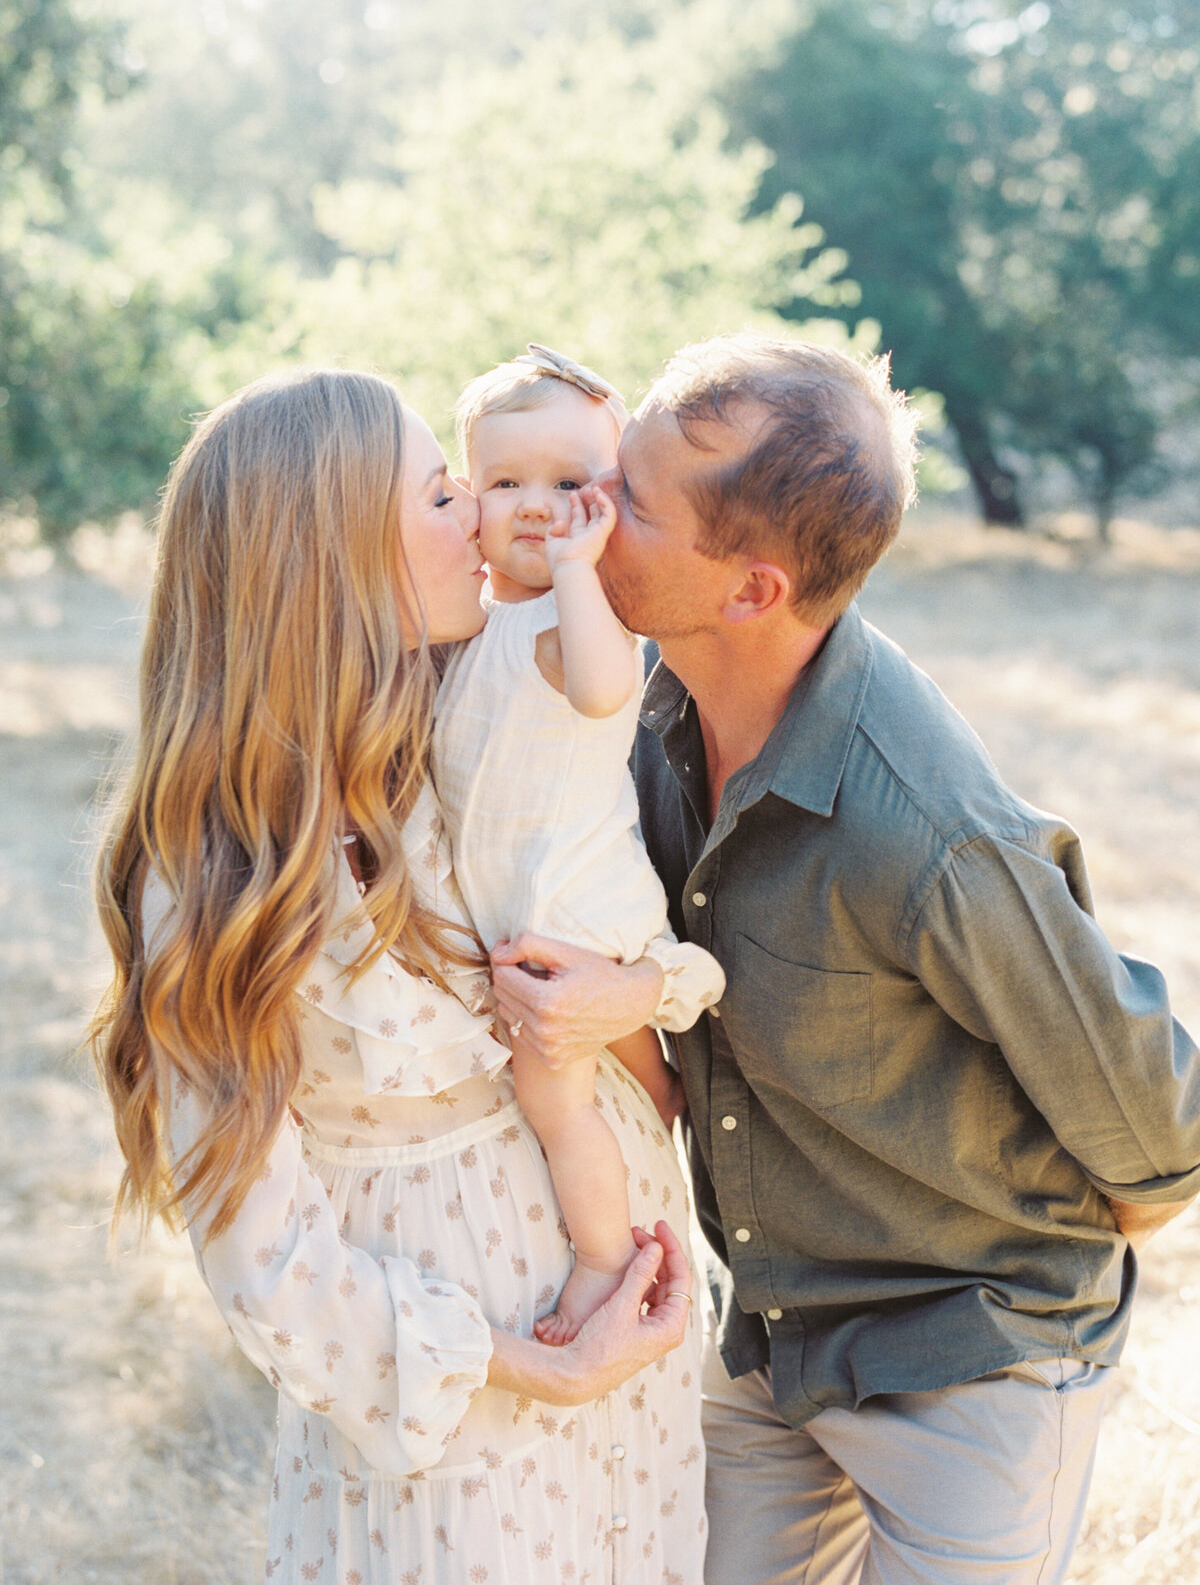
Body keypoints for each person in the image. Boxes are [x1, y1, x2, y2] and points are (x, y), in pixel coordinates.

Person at [489, 332, 1200, 1584]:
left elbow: (1161, 1130)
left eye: (631, 502)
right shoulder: (643, 710)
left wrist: (1019, 1260)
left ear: (752, 589)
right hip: (777, 1329)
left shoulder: (924, 833)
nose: (588, 514)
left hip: (974, 1356)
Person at [88, 367, 708, 1585]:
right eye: (443, 493)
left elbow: (607, 962)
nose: (482, 516)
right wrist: (539, 1363)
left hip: (626, 1302)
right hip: (461, 1380)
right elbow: (264, 1257)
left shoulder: (458, 721)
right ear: (331, 558)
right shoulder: (217, 873)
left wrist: (630, 999)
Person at [435, 344, 725, 1344]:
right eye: (504, 480)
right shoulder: (474, 624)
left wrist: (573, 570)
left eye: (568, 484)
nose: (535, 504)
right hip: (516, 903)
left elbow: (607, 691)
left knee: (550, 1094)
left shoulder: (578, 618)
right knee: (608, 1082)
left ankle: (605, 1255)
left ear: (607, 501)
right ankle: (661, 1091)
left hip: (573, 910)